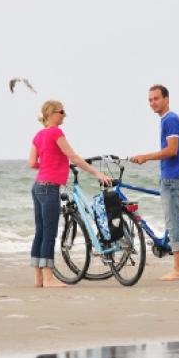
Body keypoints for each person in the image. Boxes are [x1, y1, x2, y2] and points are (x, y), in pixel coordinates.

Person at [28, 100, 111, 288]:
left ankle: (38, 279)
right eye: (61, 112)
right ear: (51, 114)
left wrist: (49, 165)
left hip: (38, 187)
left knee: (40, 232)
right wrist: (95, 172)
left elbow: (32, 162)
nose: (64, 115)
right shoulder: (56, 132)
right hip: (50, 188)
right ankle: (49, 278)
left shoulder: (38, 135)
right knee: (49, 233)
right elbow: (72, 156)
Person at [130, 84, 179, 280]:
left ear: (166, 99)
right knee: (173, 221)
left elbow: (173, 150)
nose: (152, 103)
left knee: (174, 223)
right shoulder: (169, 119)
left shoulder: (170, 119)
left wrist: (145, 157)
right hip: (173, 176)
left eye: (156, 98)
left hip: (171, 180)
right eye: (150, 100)